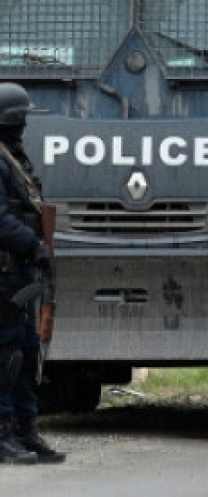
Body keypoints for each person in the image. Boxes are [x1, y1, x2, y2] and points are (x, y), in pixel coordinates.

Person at [0, 83, 64, 464]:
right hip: (5, 277)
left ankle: (26, 431)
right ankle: (4, 433)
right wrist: (33, 244)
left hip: (20, 275)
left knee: (26, 354)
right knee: (6, 358)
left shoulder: (13, 158)